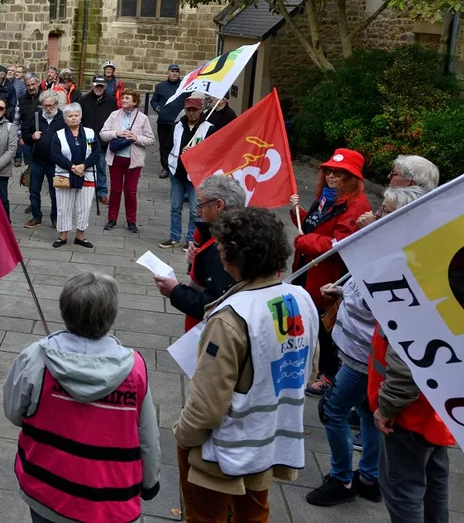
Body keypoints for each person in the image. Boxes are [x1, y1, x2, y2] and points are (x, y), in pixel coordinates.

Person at [175, 208, 319, 523]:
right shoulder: (301, 298)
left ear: (232, 258)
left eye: (221, 246)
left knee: (204, 516)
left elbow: (207, 405)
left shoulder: (230, 317)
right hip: (271, 437)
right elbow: (310, 366)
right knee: (254, 513)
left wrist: (183, 435)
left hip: (228, 446)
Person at [4, 272, 161, 523]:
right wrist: (150, 482)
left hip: (47, 491)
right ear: (111, 315)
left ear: (65, 309)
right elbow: (148, 437)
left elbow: (14, 413)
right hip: (113, 501)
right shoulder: (135, 370)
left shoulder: (36, 358)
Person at [308, 184, 426, 509]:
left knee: (332, 411)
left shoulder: (400, 261)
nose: (375, 213)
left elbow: (384, 309)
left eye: (384, 210)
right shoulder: (385, 247)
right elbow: (368, 295)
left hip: (363, 358)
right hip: (360, 353)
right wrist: (344, 293)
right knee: (363, 409)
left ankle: (341, 479)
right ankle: (369, 477)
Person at [289, 147, 371, 393]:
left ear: (352, 178)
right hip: (310, 268)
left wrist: (304, 242)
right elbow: (313, 225)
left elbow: (339, 244)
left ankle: (328, 375)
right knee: (314, 320)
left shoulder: (355, 205)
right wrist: (298, 214)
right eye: (329, 171)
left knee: (327, 326)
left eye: (339, 173)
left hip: (327, 275)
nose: (332, 176)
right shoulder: (327, 196)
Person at [370, 319, 457, 522]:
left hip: (410, 414)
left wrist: (387, 407)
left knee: (404, 493)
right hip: (438, 410)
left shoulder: (418, 293)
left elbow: (407, 360)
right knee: (435, 483)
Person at [152, 175, 244, 330]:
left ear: (219, 206)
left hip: (209, 334)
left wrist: (175, 291)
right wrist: (194, 260)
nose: (198, 212)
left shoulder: (225, 247)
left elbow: (215, 305)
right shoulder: (228, 234)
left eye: (201, 205)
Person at [161, 96, 215, 249]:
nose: (191, 113)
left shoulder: (208, 128)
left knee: (195, 210)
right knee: (175, 207)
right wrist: (168, 163)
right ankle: (174, 237)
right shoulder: (178, 125)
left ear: (200, 110)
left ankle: (191, 239)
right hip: (177, 172)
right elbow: (168, 145)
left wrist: (195, 153)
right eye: (189, 110)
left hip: (196, 176)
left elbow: (212, 153)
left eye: (195, 110)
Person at [100, 89, 154, 234]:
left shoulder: (143, 118)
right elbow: (103, 134)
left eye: (127, 98)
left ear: (135, 101)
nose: (124, 100)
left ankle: (131, 221)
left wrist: (135, 138)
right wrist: (116, 133)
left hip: (133, 161)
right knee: (115, 190)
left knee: (130, 192)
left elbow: (150, 139)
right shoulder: (114, 115)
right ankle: (112, 219)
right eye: (123, 98)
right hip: (116, 158)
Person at [51, 103, 103, 248]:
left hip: (86, 174)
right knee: (63, 206)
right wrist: (72, 166)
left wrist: (83, 165)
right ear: (65, 119)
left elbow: (96, 153)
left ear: (81, 117)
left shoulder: (90, 134)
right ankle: (62, 236)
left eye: (76, 115)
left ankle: (80, 236)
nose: (73, 118)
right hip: (65, 174)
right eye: (70, 116)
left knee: (84, 207)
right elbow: (55, 155)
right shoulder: (59, 135)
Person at [357, 154, 439, 227]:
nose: (389, 176)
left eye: (394, 173)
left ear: (410, 182)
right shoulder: (426, 210)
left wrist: (374, 228)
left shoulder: (416, 217)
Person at [23, 91, 63, 229]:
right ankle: (36, 217)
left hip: (55, 163)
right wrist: (32, 137)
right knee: (34, 190)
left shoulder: (63, 118)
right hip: (36, 160)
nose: (48, 108)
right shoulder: (36, 117)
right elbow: (24, 134)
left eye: (51, 105)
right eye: (45, 105)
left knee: (55, 192)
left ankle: (55, 218)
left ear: (56, 104)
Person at [78, 76, 116, 206]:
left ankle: (102, 192)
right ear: (92, 86)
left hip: (103, 139)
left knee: (100, 166)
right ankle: (82, 188)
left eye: (101, 86)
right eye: (96, 86)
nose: (98, 88)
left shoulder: (111, 101)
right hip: (88, 138)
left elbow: (114, 119)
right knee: (84, 164)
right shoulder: (84, 100)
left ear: (105, 86)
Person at [152, 63, 186, 179]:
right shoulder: (160, 86)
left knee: (179, 144)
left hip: (179, 121)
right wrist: (158, 109)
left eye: (177, 71)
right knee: (164, 145)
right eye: (172, 71)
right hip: (164, 121)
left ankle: (177, 166)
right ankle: (165, 167)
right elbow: (154, 101)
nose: (174, 73)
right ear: (168, 72)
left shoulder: (184, 86)